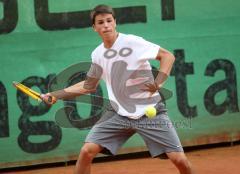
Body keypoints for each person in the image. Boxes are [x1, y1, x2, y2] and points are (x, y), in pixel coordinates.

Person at [41, 4, 195, 174]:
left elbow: (167, 56)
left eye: (109, 20)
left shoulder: (132, 42)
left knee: (179, 160)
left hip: (150, 111)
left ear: (115, 22)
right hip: (118, 114)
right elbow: (88, 85)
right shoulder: (97, 54)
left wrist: (159, 82)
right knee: (86, 151)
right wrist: (55, 95)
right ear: (94, 28)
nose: (105, 25)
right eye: (100, 22)